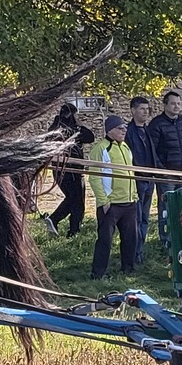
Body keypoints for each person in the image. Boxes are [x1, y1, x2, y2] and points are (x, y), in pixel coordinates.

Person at [90, 115, 141, 278]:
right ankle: (98, 273)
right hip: (111, 204)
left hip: (129, 202)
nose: (124, 131)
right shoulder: (100, 149)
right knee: (105, 241)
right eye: (120, 128)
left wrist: (134, 195)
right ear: (110, 130)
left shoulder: (126, 147)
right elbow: (94, 176)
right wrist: (103, 200)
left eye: (125, 128)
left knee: (131, 239)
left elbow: (130, 172)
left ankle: (128, 269)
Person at [145, 89, 182, 247]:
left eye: (179, 103)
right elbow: (152, 149)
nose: (177, 106)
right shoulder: (157, 124)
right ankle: (166, 241)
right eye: (173, 103)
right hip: (167, 174)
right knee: (166, 207)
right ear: (165, 105)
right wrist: (161, 170)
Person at [46, 108, 91, 237]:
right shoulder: (75, 130)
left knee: (74, 199)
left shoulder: (54, 129)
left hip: (58, 170)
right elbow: (90, 137)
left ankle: (72, 229)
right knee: (76, 199)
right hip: (72, 170)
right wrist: (79, 124)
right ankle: (58, 221)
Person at [124, 95, 156, 263]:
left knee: (144, 218)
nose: (146, 112)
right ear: (133, 110)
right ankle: (133, 254)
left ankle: (140, 252)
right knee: (135, 219)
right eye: (142, 109)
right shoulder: (127, 132)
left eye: (147, 109)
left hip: (149, 179)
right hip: (136, 180)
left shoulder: (148, 130)